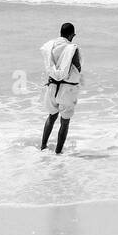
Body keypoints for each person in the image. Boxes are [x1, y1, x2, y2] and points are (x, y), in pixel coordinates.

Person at [40, 22, 81, 154]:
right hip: (67, 89)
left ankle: (43, 147)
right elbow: (77, 67)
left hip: (52, 86)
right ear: (71, 35)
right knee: (64, 122)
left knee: (51, 117)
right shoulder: (72, 48)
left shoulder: (51, 46)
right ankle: (58, 152)